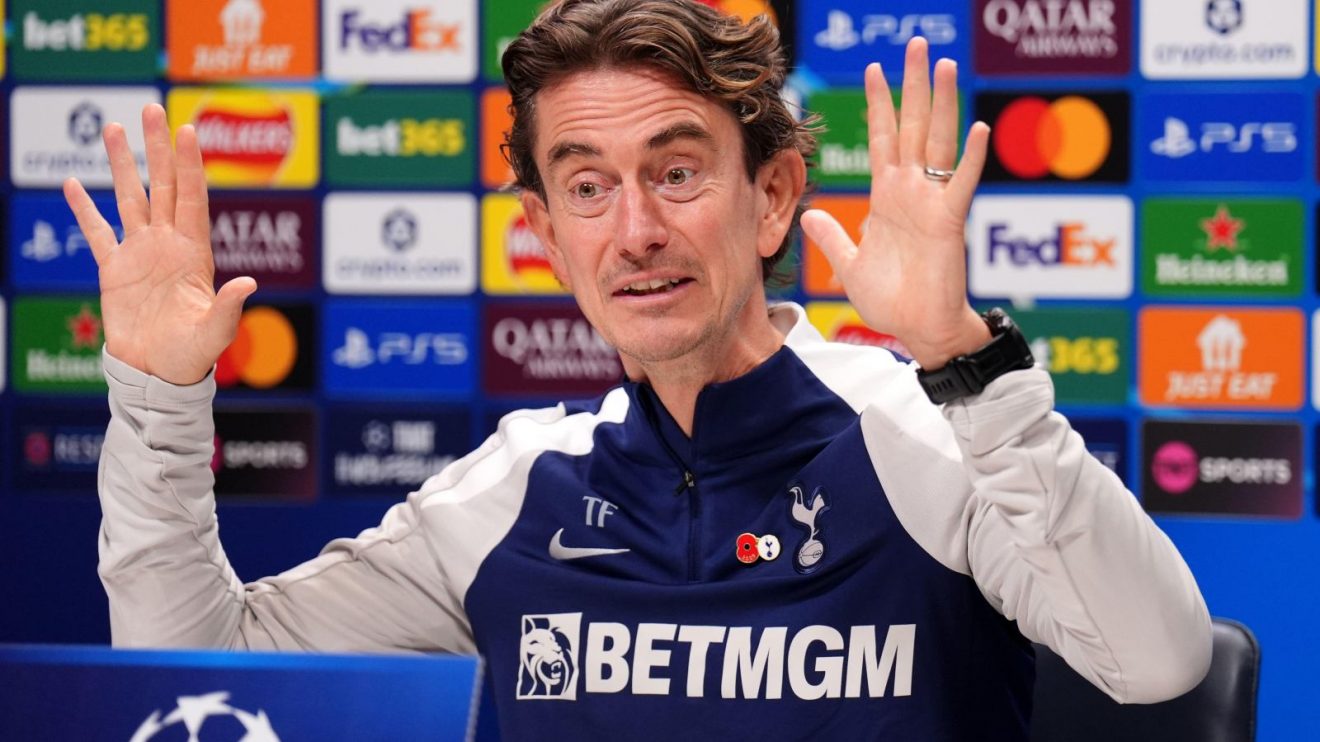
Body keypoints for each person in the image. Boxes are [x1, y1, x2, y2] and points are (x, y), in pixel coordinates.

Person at [64, 0, 1211, 738]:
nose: (636, 231)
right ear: (546, 232)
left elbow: (1160, 663)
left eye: (676, 171)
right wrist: (159, 405)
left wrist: (962, 360)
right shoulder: (508, 495)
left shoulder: (924, 441)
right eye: (588, 185)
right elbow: (198, 668)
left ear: (771, 198)